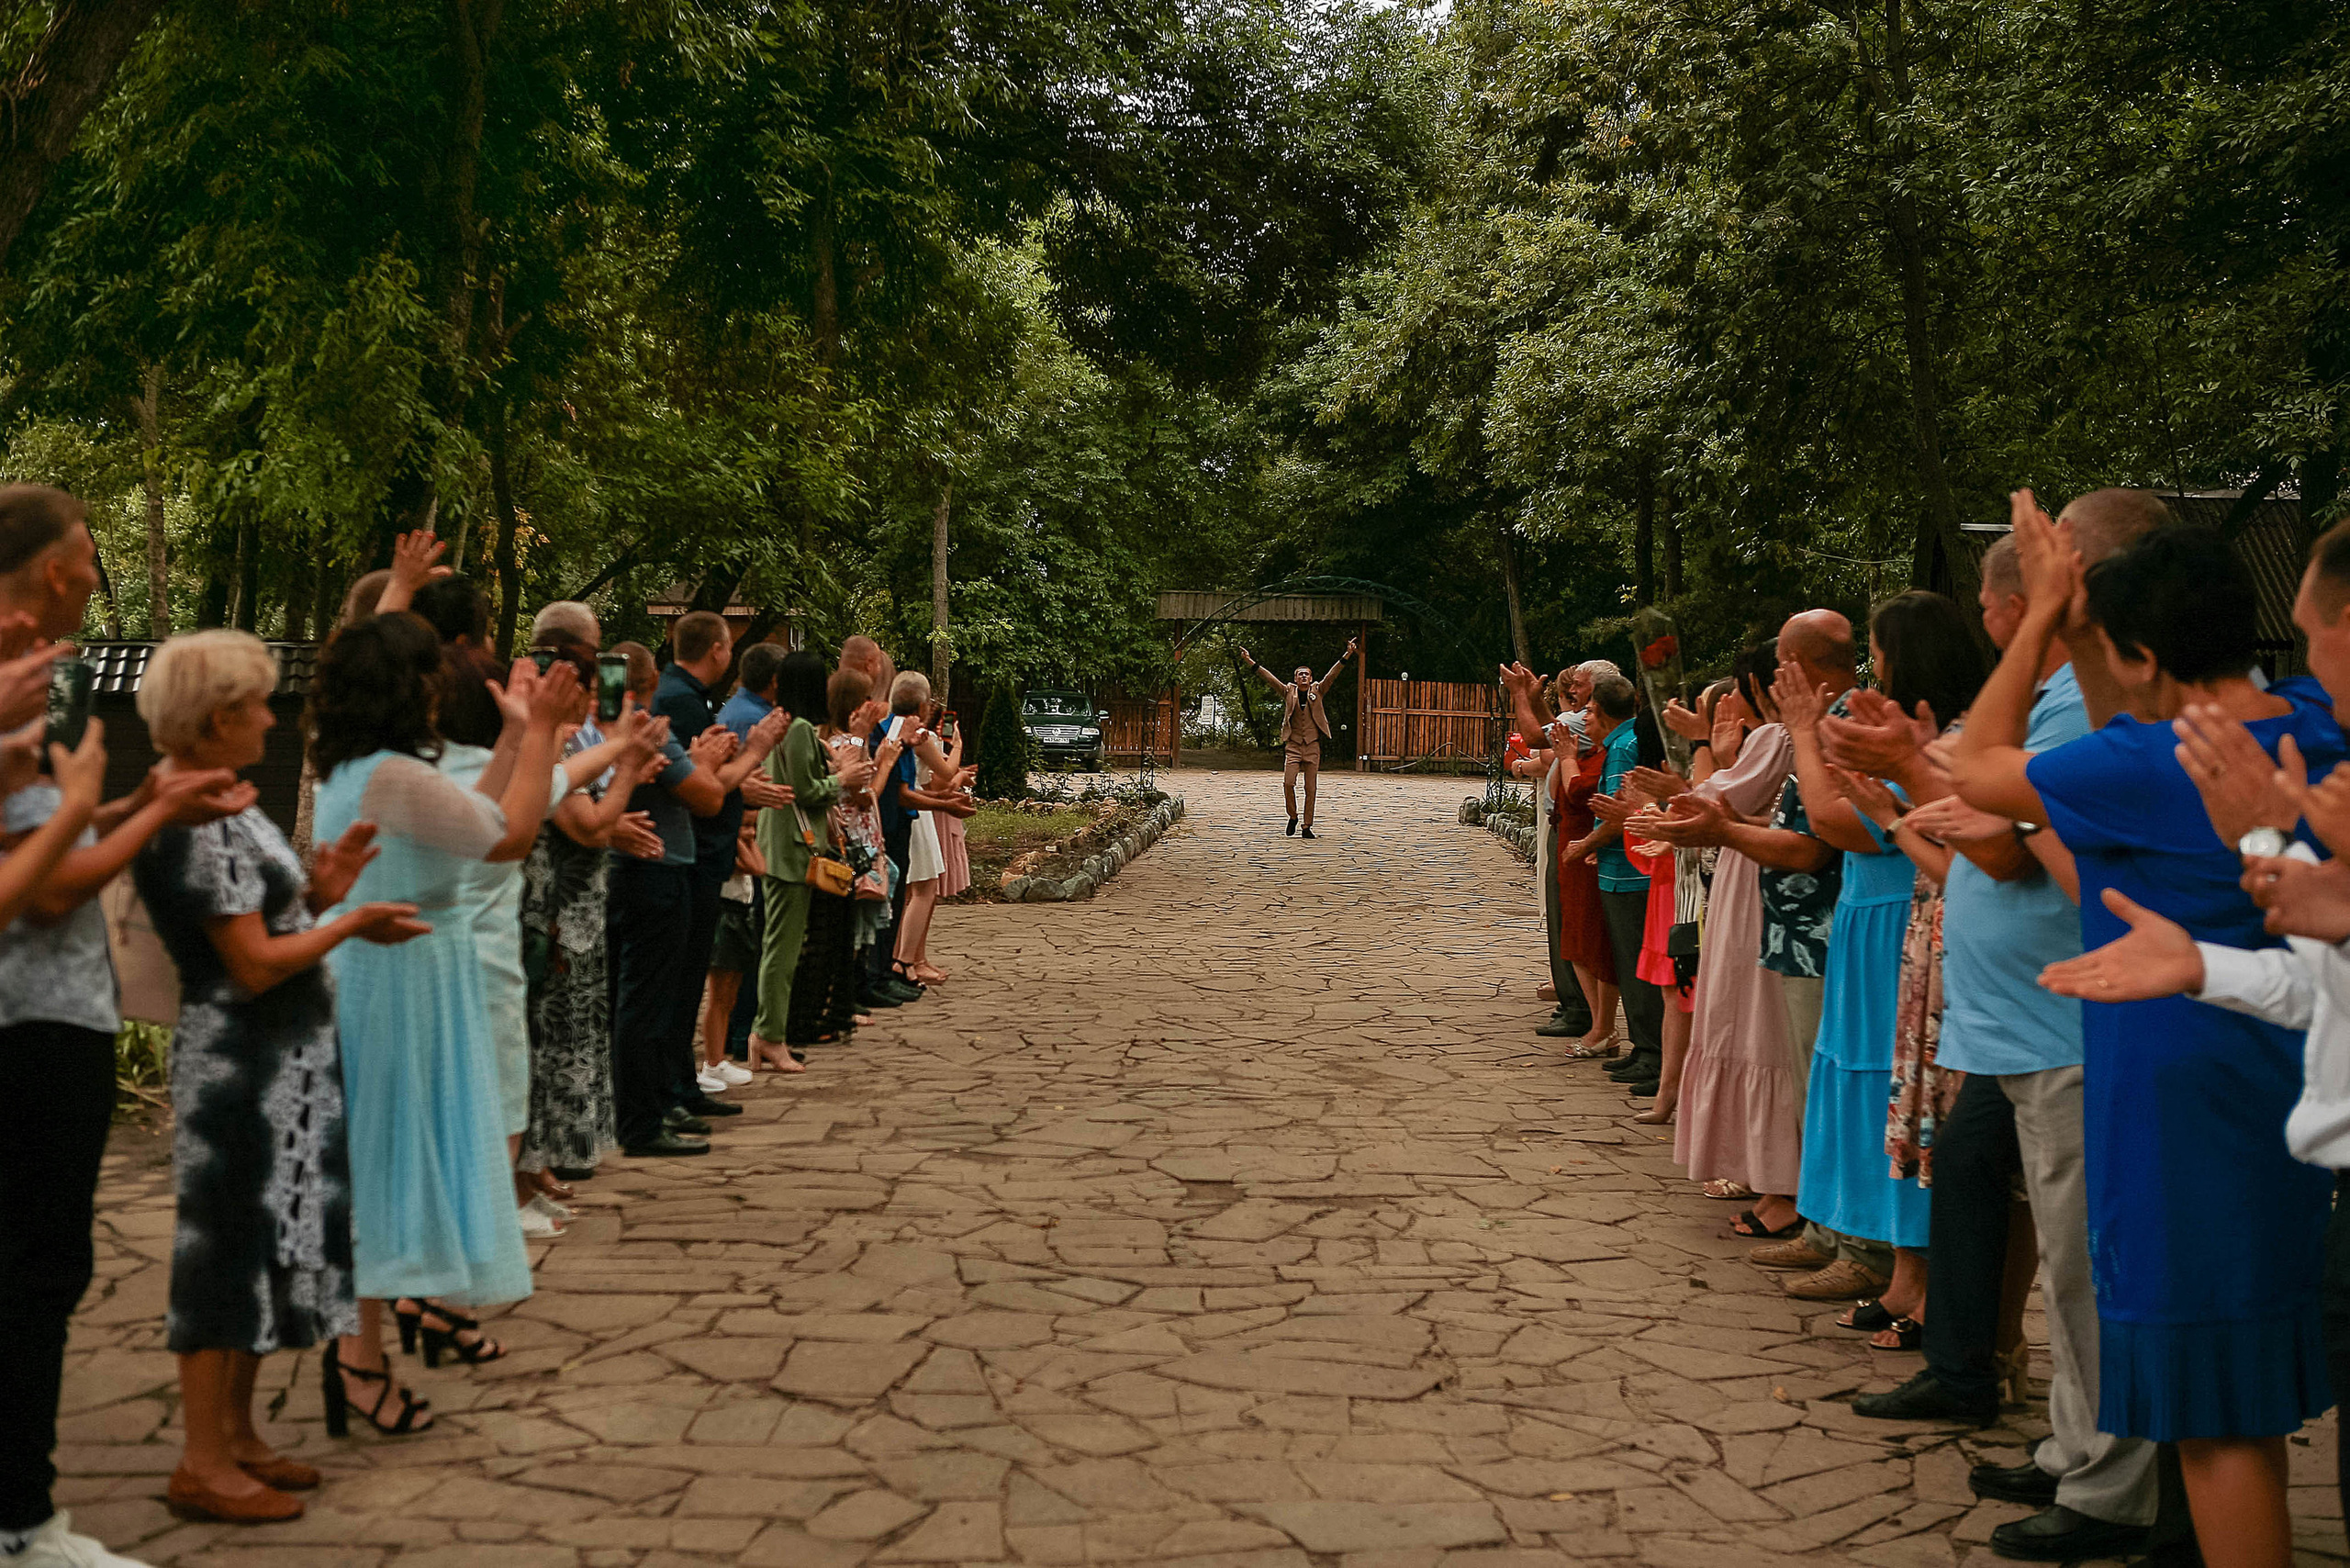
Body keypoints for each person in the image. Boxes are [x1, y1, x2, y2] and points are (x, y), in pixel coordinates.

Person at [1947, 502, 2339, 1568]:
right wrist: (2086, 625)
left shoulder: (2139, 764)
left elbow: (1977, 764)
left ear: (2138, 654)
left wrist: (2038, 623)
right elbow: (2142, 688)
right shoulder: (2310, 722)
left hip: (2175, 1104)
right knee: (2246, 1386)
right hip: (2280, 1080)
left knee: (2213, 1419)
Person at [1834, 519, 2163, 1563]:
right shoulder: (2054, 696)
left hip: (2066, 1012)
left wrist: (1918, 774)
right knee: (2067, 1268)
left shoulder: (2090, 699)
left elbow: (2015, 833)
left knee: (2085, 1267)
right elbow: (1974, 805)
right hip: (2016, 1017)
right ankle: (2077, 1447)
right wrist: (1912, 771)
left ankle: (2114, 1484)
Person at [0, 484, 252, 1568]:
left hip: (53, 1010)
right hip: (32, 1017)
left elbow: (39, 829)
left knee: (38, 1267)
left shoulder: (30, 685)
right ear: (55, 567)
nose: (99, 579)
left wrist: (126, 801)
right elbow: (44, 885)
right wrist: (130, 807)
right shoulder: (16, 689)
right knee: (36, 1270)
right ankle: (22, 1517)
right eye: (90, 557)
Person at [129, 632, 431, 1523]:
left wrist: (319, 892)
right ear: (218, 716)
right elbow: (252, 963)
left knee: (273, 1243)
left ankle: (242, 1433)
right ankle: (202, 1455)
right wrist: (346, 923)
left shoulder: (231, 806)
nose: (273, 716)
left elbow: (268, 922)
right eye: (259, 703)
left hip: (285, 1060)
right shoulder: (190, 818)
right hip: (239, 1067)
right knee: (223, 1251)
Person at [309, 612, 569, 1425]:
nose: (439, 687)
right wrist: (545, 738)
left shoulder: (367, 770)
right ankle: (356, 1362)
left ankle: (367, 1348)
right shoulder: (387, 774)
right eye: (428, 674)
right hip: (399, 983)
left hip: (407, 974)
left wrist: (512, 740)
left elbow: (461, 820)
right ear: (407, 687)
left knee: (396, 1166)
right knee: (389, 1168)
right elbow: (507, 835)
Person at [1640, 644, 1805, 1234]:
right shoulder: (1775, 740)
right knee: (1742, 1023)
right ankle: (1766, 1179)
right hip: (1745, 878)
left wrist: (1695, 768)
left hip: (1757, 886)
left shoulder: (1777, 739)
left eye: (1734, 688)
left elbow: (1723, 798)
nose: (1726, 700)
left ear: (1758, 690)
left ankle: (1779, 1185)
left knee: (1758, 1029)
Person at [518, 629, 666, 1190]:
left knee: (578, 1033)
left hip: (580, 903)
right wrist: (627, 769)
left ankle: (557, 1156)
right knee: (552, 1040)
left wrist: (626, 773)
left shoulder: (569, 741)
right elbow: (587, 823)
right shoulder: (545, 740)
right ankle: (538, 1162)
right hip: (555, 907)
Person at [606, 641, 754, 1156]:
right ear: (646, 684)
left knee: (654, 999)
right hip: (655, 870)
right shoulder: (645, 728)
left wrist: (695, 759)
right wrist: (741, 755)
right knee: (647, 1004)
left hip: (654, 868)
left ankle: (664, 1101)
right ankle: (644, 1118)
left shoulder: (630, 729)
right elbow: (708, 796)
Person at [652, 612, 790, 1118]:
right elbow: (702, 789)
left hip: (704, 850)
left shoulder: (692, 696)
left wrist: (740, 780)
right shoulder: (681, 701)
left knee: (690, 981)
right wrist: (754, 752)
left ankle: (682, 1084)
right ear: (717, 649)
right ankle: (669, 1089)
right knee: (683, 981)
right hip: (699, 851)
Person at [751, 651, 875, 1069]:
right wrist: (842, 779)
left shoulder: (787, 726)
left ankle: (769, 1033)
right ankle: (769, 1036)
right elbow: (806, 790)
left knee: (779, 948)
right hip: (793, 850)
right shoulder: (800, 729)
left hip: (779, 845)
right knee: (783, 952)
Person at [702, 640, 791, 1089]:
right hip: (738, 843)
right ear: (776, 682)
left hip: (745, 841)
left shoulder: (739, 709)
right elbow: (736, 786)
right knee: (730, 968)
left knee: (739, 962)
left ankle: (730, 1044)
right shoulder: (753, 721)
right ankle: (730, 1043)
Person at [1581, 674, 1664, 1092]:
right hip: (1631, 867)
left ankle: (1650, 1051)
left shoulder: (1620, 750)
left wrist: (1584, 845)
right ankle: (1643, 1046)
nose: (1586, 719)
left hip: (1628, 873)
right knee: (1636, 965)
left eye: (1590, 710)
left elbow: (1617, 815)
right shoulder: (1631, 741)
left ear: (1599, 710)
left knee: (1637, 966)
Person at [891, 678, 977, 987]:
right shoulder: (920, 734)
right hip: (918, 809)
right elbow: (945, 772)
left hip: (911, 804)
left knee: (913, 889)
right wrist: (958, 748)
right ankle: (906, 960)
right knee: (923, 888)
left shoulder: (890, 727)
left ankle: (913, 957)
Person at [1239, 638, 1357, 837]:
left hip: (1312, 746)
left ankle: (1307, 826)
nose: (1303, 676)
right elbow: (1268, 678)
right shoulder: (1288, 691)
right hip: (1293, 745)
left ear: (1311, 678)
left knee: (1311, 788)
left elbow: (1333, 674)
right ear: (1295, 678)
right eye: (1300, 674)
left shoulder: (1318, 690)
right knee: (1288, 783)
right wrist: (1250, 661)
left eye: (1306, 674)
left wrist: (1348, 654)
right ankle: (1293, 816)